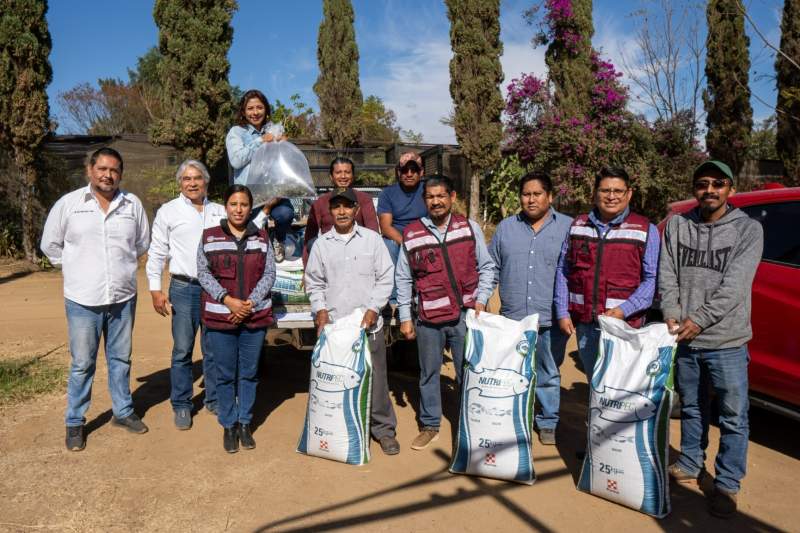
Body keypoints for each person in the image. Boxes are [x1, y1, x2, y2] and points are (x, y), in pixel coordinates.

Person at [659, 160, 763, 518]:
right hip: (686, 339)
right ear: (694, 188)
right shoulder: (677, 225)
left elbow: (735, 286)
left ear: (730, 189)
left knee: (733, 415)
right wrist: (672, 314)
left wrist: (699, 321)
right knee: (691, 405)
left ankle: (728, 483)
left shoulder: (748, 230)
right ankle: (689, 462)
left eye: (718, 183)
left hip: (727, 341)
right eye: (702, 183)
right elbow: (667, 273)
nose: (710, 189)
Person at [41, 147, 150, 451]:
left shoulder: (132, 205)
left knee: (120, 360)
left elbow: (142, 242)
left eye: (114, 170)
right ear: (90, 170)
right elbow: (50, 245)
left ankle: (123, 411)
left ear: (121, 174)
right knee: (82, 364)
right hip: (82, 300)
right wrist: (78, 268)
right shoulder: (69, 204)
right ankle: (75, 421)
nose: (108, 175)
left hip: (122, 298)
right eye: (102, 169)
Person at [396, 175, 495, 451]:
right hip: (428, 318)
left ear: (452, 197)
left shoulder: (469, 227)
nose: (436, 201)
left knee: (468, 372)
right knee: (429, 373)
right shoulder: (412, 233)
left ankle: (468, 424)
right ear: (424, 200)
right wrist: (405, 317)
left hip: (465, 317)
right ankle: (430, 424)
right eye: (430, 197)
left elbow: (486, 267)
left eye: (441, 196)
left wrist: (481, 299)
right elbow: (403, 278)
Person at [304, 187, 400, 455]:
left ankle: (383, 430)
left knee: (377, 378)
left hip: (367, 326)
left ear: (357, 210)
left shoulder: (372, 240)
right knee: (336, 381)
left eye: (347, 206)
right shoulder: (322, 244)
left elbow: (385, 277)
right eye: (337, 207)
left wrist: (373, 309)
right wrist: (320, 310)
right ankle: (337, 427)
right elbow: (314, 282)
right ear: (330, 212)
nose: (342, 211)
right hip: (335, 329)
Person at [488, 171, 572, 445]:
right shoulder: (506, 228)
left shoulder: (568, 228)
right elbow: (492, 267)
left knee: (548, 372)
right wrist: (482, 298)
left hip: (551, 317)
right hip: (513, 319)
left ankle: (547, 421)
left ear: (550, 196)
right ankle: (517, 415)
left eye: (537, 194)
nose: (531, 199)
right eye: (526, 194)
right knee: (514, 371)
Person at [554, 166, 660, 378]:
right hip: (586, 325)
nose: (611, 197)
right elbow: (563, 270)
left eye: (618, 191)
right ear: (595, 193)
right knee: (594, 383)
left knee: (619, 387)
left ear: (629, 193)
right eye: (605, 191)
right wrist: (562, 311)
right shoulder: (578, 226)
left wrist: (623, 310)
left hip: (625, 327)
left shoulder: (646, 230)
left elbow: (652, 280)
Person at [145, 159, 226, 430]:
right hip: (183, 288)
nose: (192, 183)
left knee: (213, 348)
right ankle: (181, 404)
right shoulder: (169, 212)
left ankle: (214, 399)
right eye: (187, 179)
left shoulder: (219, 211)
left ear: (206, 181)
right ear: (180, 183)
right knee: (182, 349)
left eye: (197, 178)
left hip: (215, 288)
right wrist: (155, 289)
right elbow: (157, 252)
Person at [197, 184, 276, 453]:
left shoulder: (262, 238)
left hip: (254, 316)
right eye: (233, 204)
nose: (239, 209)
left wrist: (250, 302)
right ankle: (228, 424)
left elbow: (269, 274)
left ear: (250, 207)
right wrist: (228, 300)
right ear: (226, 207)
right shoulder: (209, 237)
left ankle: (245, 422)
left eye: (244, 204)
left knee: (250, 373)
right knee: (224, 374)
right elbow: (203, 273)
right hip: (221, 318)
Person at [225, 89, 293, 262]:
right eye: (250, 108)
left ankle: (279, 239)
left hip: (273, 189)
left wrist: (284, 145)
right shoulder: (236, 132)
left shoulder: (274, 129)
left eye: (259, 107)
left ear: (266, 109)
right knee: (250, 234)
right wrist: (260, 141)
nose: (255, 112)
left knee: (285, 213)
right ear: (243, 111)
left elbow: (283, 161)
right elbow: (236, 160)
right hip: (249, 193)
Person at [303, 157, 379, 264]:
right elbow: (309, 239)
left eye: (347, 172)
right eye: (338, 172)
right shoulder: (320, 202)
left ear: (353, 176)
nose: (343, 176)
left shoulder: (364, 199)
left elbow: (373, 232)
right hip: (329, 252)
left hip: (359, 251)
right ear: (331, 177)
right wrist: (306, 271)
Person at [377, 151, 428, 303]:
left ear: (421, 172)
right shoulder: (387, 193)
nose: (409, 174)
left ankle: (424, 295)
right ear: (399, 172)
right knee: (388, 245)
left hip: (424, 236)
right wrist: (406, 244)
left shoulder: (429, 190)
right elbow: (385, 227)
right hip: (398, 239)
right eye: (405, 170)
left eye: (414, 170)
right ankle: (394, 299)